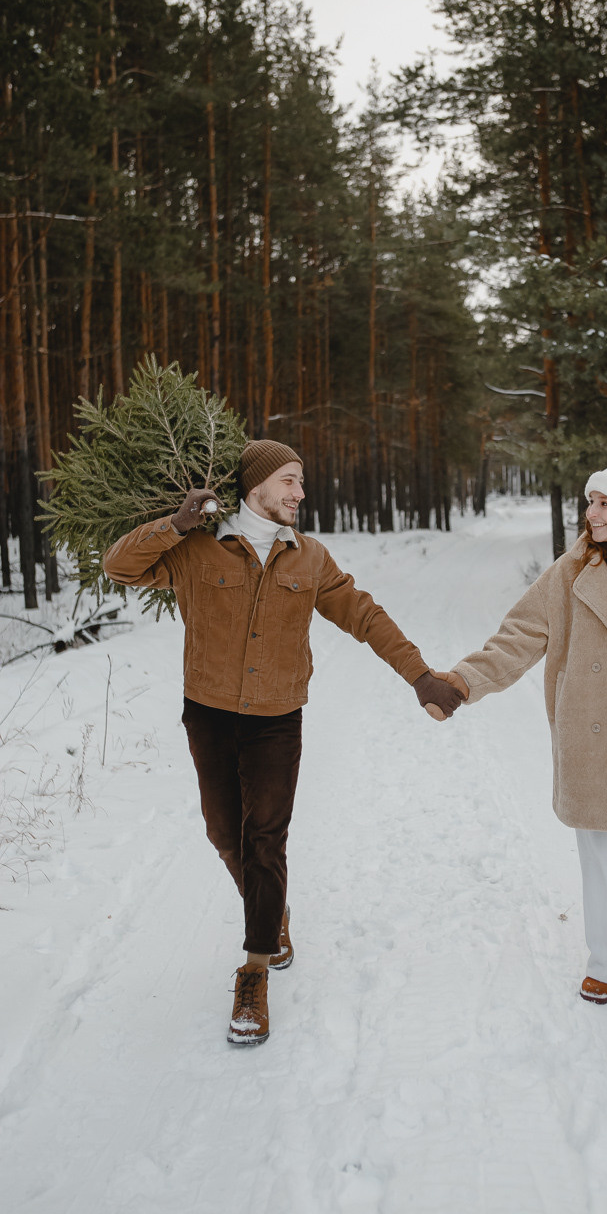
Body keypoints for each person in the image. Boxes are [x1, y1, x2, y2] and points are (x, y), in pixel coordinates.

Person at [103, 439, 462, 1045]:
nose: (300, 492)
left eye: (300, 482)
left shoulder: (310, 559)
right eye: (291, 481)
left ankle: (254, 968)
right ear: (259, 486)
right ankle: (273, 913)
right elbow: (119, 566)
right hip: (209, 713)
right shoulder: (195, 547)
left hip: (276, 718)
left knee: (264, 838)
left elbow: (364, 615)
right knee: (224, 833)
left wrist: (421, 675)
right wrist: (174, 523)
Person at [439, 450, 607, 1004]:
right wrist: (463, 682)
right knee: (598, 858)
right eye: (590, 501)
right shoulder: (569, 574)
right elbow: (517, 638)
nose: (590, 512)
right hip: (586, 738)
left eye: (603, 503)